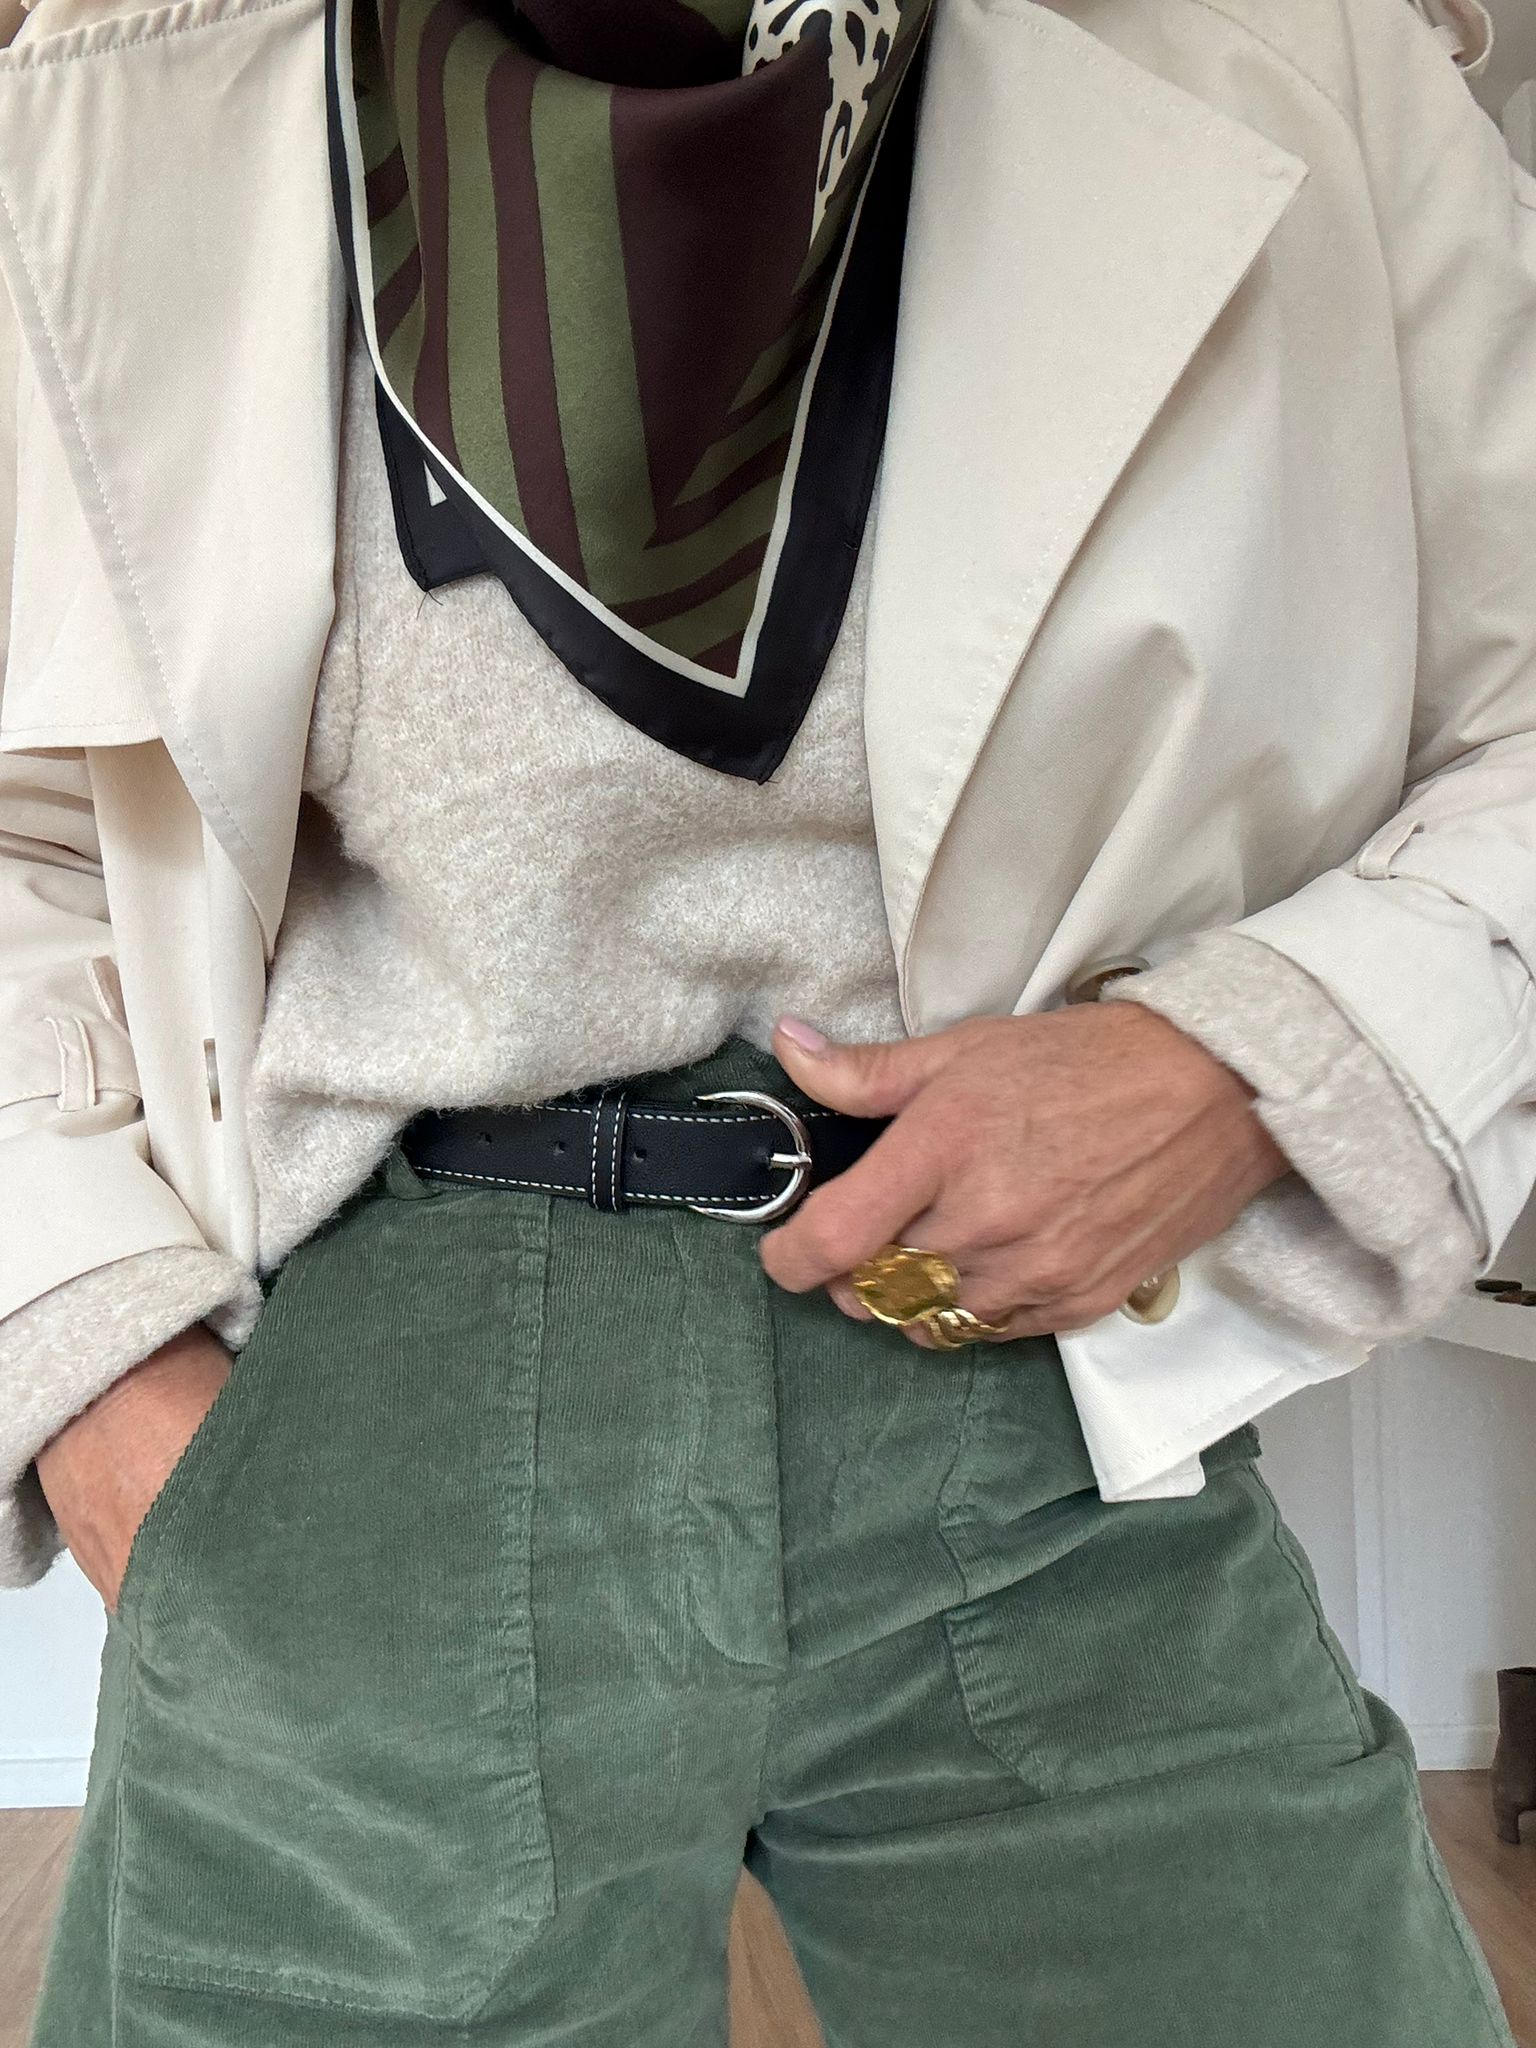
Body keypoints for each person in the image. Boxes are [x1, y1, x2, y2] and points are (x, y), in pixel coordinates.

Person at [0, 0, 1531, 2038]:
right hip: (378, 1424)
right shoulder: (132, 78)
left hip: (1026, 1387)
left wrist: (1248, 1066)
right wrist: (89, 1375)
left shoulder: (1285, 45)